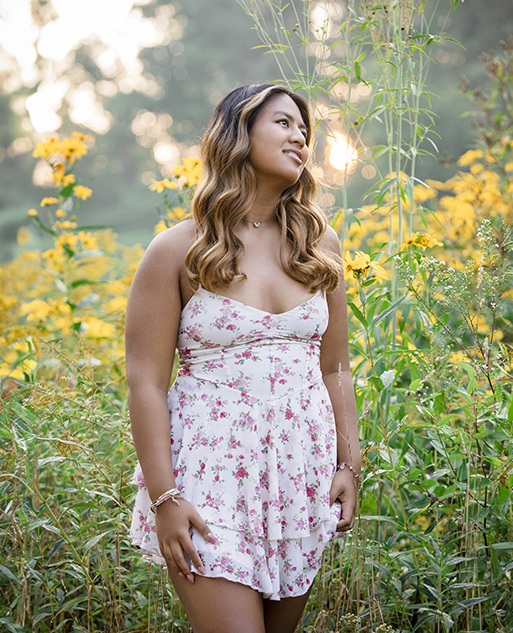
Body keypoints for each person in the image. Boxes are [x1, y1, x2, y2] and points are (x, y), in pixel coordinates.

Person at [126, 83, 360, 633]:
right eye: (282, 122)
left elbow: (336, 368)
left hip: (300, 479)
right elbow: (145, 383)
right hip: (209, 483)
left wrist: (350, 465)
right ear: (237, 134)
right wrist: (164, 497)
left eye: (303, 128)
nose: (299, 136)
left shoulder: (319, 245)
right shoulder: (177, 250)